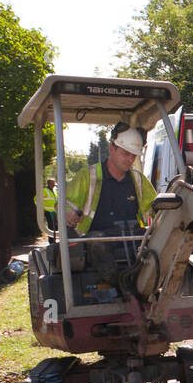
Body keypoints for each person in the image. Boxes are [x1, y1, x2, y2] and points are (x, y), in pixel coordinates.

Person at [64, 122, 159, 289]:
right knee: (97, 242)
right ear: (111, 149)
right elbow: (66, 205)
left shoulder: (138, 180)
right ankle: (123, 287)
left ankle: (150, 284)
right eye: (126, 154)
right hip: (100, 236)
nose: (130, 159)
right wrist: (69, 213)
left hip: (133, 235)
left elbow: (155, 208)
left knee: (158, 242)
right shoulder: (87, 177)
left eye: (134, 156)